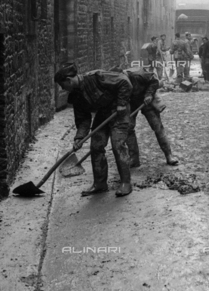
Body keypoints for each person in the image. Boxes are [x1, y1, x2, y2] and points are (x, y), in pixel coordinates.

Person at [54, 63, 133, 197]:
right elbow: (83, 119)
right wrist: (79, 138)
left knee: (117, 145)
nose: (63, 88)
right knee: (96, 146)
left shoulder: (97, 77)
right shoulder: (75, 96)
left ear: (68, 80)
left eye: (62, 85)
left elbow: (125, 82)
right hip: (103, 114)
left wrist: (121, 103)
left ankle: (126, 183)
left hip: (118, 112)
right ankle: (100, 184)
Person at [123, 67, 179, 166]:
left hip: (147, 100)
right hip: (131, 102)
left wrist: (149, 94)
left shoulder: (138, 74)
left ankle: (169, 155)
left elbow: (154, 81)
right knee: (128, 128)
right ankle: (134, 159)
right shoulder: (119, 81)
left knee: (157, 127)